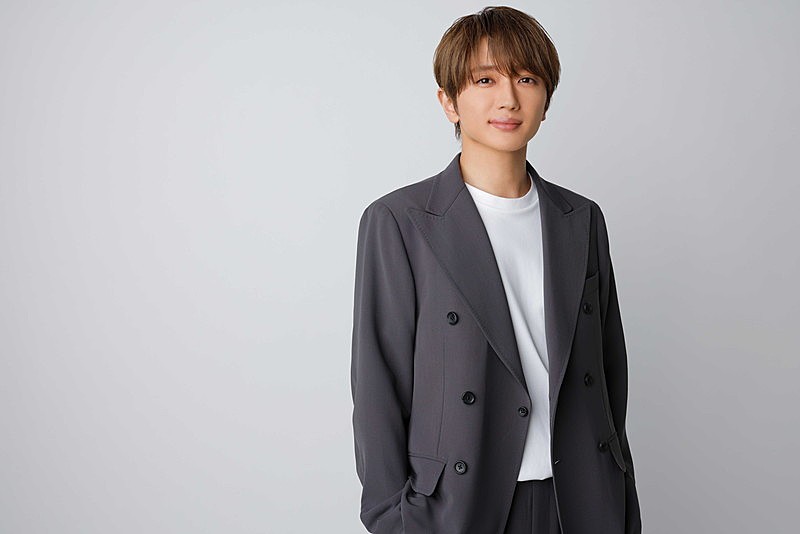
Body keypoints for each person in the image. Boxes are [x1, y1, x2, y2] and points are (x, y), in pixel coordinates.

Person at [350, 6, 642, 533]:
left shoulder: (581, 218)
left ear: (546, 100)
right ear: (449, 101)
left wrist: (619, 495)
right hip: (459, 507)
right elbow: (378, 384)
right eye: (485, 80)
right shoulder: (400, 222)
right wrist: (394, 518)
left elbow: (608, 375)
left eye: (526, 79)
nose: (508, 98)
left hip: (579, 502)